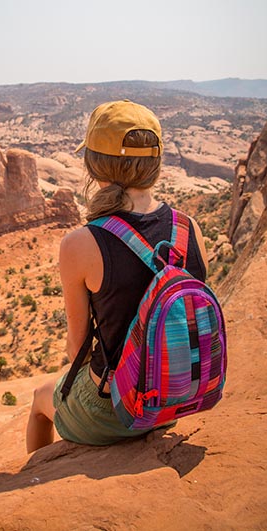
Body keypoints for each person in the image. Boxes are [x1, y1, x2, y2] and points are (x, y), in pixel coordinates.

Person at [26, 100, 209, 453]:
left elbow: (77, 348)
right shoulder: (189, 229)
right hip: (176, 397)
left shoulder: (81, 243)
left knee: (39, 400)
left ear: (96, 167)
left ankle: (34, 474)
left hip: (116, 411)